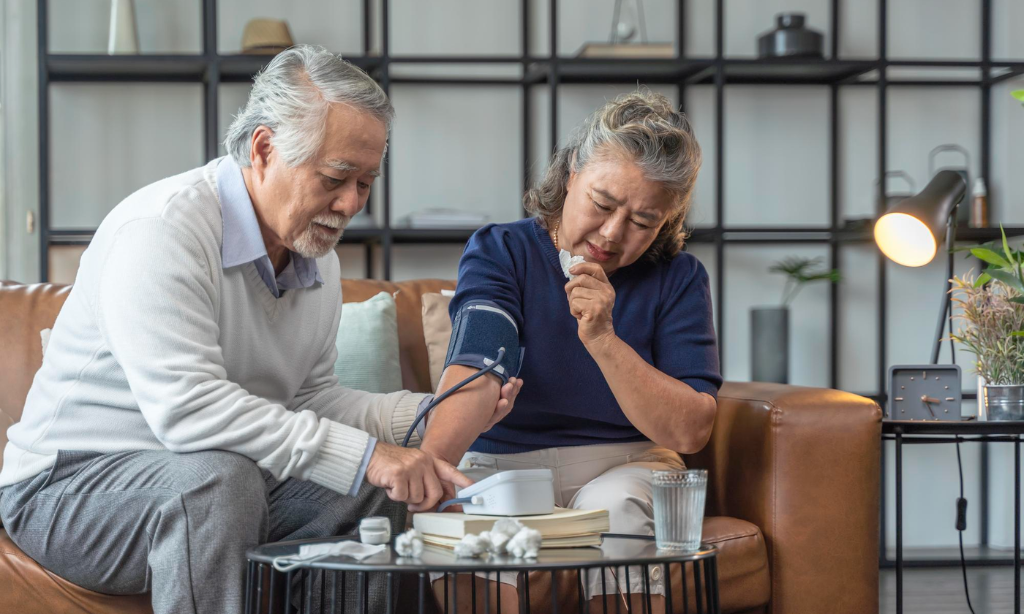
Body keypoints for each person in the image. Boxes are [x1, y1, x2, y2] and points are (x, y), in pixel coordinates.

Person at [0, 45, 520, 614]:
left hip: (221, 476)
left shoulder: (315, 255)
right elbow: (187, 410)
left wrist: (430, 412)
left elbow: (308, 397)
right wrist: (370, 454)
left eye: (365, 183)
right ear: (265, 149)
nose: (350, 204)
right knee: (220, 483)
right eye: (335, 177)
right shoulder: (162, 232)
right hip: (68, 487)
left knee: (371, 490)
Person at [421, 90, 721, 613]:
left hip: (625, 463)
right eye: (603, 204)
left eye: (644, 222)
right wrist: (430, 468)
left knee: (619, 508)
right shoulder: (501, 250)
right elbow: (480, 367)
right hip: (501, 464)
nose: (611, 234)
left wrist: (604, 339)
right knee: (467, 531)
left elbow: (690, 430)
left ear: (668, 219)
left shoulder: (679, 278)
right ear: (573, 171)